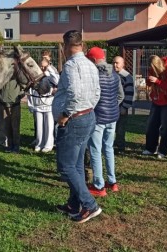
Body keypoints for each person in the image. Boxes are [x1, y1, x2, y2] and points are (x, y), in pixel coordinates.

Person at [53, 30, 102, 223]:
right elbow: (97, 92)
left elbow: (74, 93)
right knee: (77, 165)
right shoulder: (90, 65)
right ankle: (75, 204)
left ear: (65, 46)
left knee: (66, 167)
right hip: (88, 115)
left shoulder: (71, 66)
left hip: (74, 119)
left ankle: (89, 205)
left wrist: (65, 115)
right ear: (81, 45)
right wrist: (88, 108)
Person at [87, 47, 124, 197]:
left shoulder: (94, 75)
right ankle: (112, 181)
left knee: (95, 150)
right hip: (112, 117)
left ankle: (98, 185)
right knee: (108, 148)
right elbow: (120, 95)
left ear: (94, 60)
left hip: (98, 117)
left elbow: (91, 97)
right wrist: (113, 107)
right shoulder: (115, 74)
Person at [142, 55, 167, 158]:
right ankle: (150, 148)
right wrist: (149, 80)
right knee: (151, 125)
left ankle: (163, 150)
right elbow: (150, 83)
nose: (151, 69)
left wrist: (158, 81)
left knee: (166, 127)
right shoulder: (153, 69)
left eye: (152, 68)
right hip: (157, 100)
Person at [27, 57, 59, 152]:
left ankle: (48, 145)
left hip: (48, 104)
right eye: (40, 64)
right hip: (37, 105)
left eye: (43, 64)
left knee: (49, 126)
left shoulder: (50, 76)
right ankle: (39, 143)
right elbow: (30, 91)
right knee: (39, 126)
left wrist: (48, 68)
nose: (42, 66)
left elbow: (57, 80)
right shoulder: (35, 76)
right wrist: (30, 105)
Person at [0, 79, 24, 153]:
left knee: (15, 126)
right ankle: (10, 145)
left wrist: (20, 94)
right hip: (4, 103)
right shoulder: (5, 74)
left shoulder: (17, 75)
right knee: (7, 126)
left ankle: (16, 146)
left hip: (15, 103)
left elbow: (24, 85)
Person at [113, 56, 134, 154]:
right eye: (113, 63)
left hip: (121, 106)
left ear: (123, 64)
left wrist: (125, 107)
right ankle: (114, 145)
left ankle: (121, 147)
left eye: (117, 63)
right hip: (113, 106)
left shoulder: (126, 76)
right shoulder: (112, 74)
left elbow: (129, 93)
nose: (115, 65)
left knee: (121, 128)